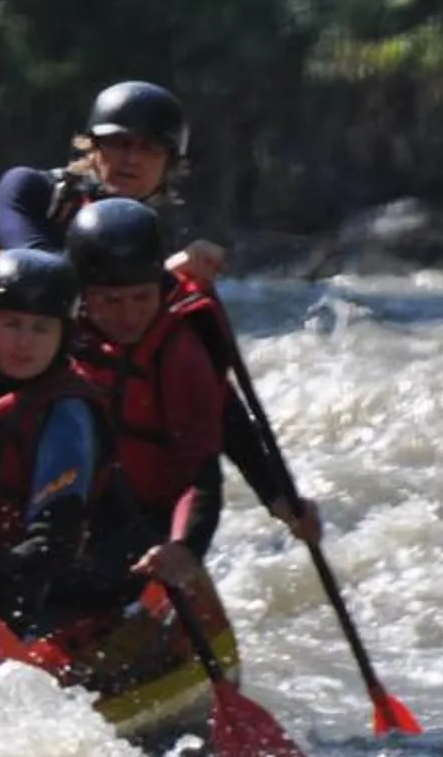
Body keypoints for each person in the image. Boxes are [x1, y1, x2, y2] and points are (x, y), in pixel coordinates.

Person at [0, 248, 192, 683]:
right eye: (12, 324)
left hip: (40, 583)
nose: (25, 342)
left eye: (41, 328)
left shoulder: (65, 416)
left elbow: (53, 544)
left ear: (64, 336)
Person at [65, 199, 319, 599]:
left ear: (159, 288)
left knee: (101, 574)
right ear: (82, 294)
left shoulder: (179, 350)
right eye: (111, 302)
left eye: (141, 299)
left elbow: (204, 465)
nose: (129, 317)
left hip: (147, 522)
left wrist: (186, 548)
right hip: (68, 507)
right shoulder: (54, 327)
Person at [0, 80, 226, 336]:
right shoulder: (29, 189)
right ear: (92, 149)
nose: (132, 158)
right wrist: (167, 271)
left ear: (169, 166)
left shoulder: (153, 234)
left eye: (149, 148)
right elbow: (39, 273)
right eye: (119, 143)